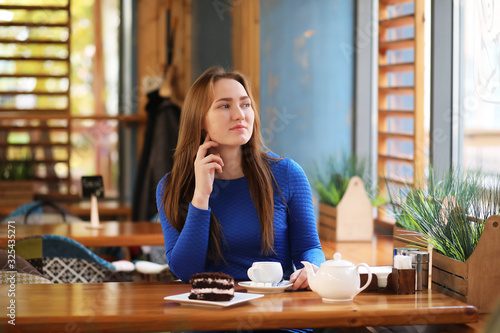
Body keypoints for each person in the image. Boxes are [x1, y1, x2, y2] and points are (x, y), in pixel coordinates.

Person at [156, 66, 325, 292]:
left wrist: (312, 267)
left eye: (246, 104)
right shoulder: (172, 187)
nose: (240, 114)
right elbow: (186, 272)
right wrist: (201, 197)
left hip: (276, 312)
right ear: (199, 120)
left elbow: (309, 248)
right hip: (210, 313)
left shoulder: (287, 174)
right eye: (224, 105)